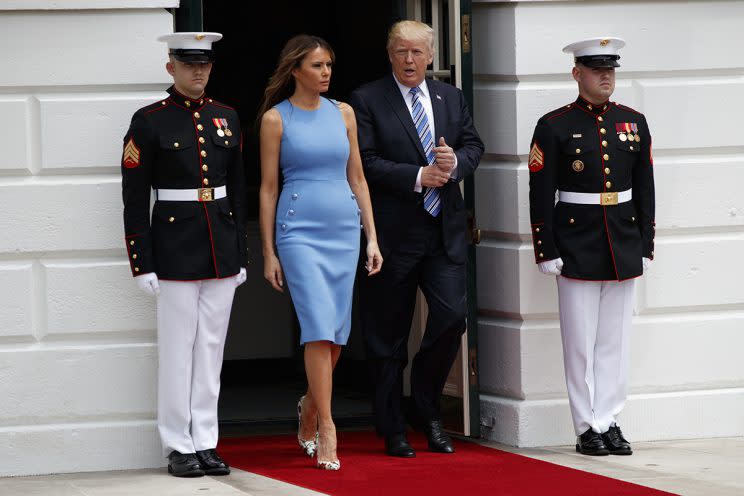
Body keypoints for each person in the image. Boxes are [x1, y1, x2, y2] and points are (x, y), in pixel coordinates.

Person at [349, 20, 484, 458]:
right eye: (401, 52)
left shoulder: (450, 97)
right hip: (391, 234)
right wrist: (417, 176)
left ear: (430, 56)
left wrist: (455, 162)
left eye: (417, 53)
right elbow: (364, 162)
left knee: (450, 319)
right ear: (390, 55)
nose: (409, 60)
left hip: (443, 230)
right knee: (387, 335)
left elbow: (473, 146)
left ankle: (423, 408)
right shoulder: (367, 99)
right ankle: (391, 426)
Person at [121, 32, 247, 477]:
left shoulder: (226, 117)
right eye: (189, 63)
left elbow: (237, 192)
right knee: (178, 351)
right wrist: (142, 261)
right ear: (170, 67)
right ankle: (178, 445)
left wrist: (241, 255)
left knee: (211, 351)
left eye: (205, 64)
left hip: (221, 251)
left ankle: (206, 442)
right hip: (173, 248)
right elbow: (135, 197)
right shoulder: (150, 121)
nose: (199, 71)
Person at [258, 34, 382, 471]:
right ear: (295, 70)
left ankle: (310, 406)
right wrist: (269, 251)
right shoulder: (276, 119)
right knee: (317, 328)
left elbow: (359, 179)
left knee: (337, 335)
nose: (326, 72)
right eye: (317, 65)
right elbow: (268, 188)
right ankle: (328, 426)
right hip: (299, 233)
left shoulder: (343, 113)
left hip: (343, 231)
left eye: (329, 64)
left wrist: (371, 237)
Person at [527, 37, 655, 456]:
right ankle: (586, 426)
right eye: (598, 70)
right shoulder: (555, 124)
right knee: (580, 343)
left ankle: (609, 419)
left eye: (611, 70)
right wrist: (546, 248)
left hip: (622, 240)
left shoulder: (633, 121)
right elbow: (541, 189)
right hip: (576, 241)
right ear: (576, 73)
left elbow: (645, 186)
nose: (606, 77)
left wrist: (646, 242)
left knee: (614, 343)